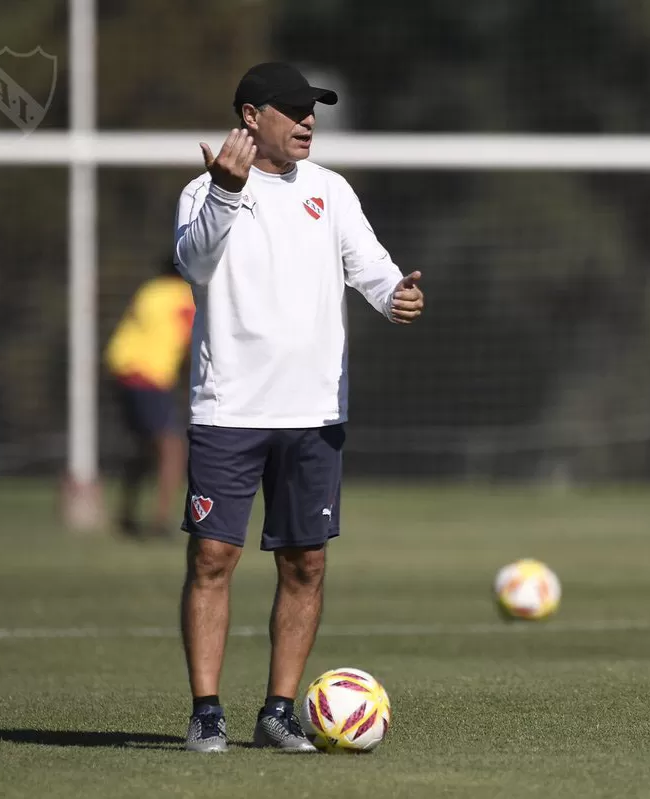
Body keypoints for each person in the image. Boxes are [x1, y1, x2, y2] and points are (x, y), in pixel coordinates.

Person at [173, 62, 425, 753]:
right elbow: (193, 262)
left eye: (312, 108)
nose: (309, 120)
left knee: (306, 563)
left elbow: (370, 266)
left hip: (313, 412)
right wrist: (226, 191)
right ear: (252, 117)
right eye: (293, 109)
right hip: (229, 409)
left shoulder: (331, 191)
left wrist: (393, 294)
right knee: (213, 556)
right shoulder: (204, 188)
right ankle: (207, 713)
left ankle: (279, 710)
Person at [103, 260, 195, 538]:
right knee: (172, 449)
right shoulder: (182, 297)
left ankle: (126, 515)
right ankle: (160, 521)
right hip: (148, 375)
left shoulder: (152, 289)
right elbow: (193, 339)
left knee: (145, 447)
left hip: (123, 371)